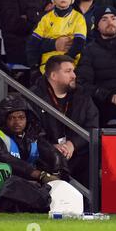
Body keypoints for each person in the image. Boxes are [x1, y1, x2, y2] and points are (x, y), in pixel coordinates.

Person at [31, 55, 99, 187]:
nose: (74, 75)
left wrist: (73, 144)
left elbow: (92, 125)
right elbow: (31, 130)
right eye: (68, 71)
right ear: (54, 75)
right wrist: (50, 147)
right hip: (46, 160)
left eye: (73, 70)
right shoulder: (33, 97)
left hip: (79, 159)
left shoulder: (83, 95)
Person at [0, 93, 69, 184]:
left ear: (27, 119)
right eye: (12, 118)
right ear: (4, 119)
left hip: (20, 186)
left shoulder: (31, 136)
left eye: (21, 117)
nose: (17, 122)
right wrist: (40, 175)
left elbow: (53, 154)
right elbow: (7, 160)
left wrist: (58, 176)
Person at [26, 0, 87, 77]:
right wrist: (34, 65)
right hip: (47, 65)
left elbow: (79, 43)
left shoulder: (78, 18)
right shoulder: (45, 18)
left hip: (71, 64)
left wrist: (66, 59)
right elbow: (33, 43)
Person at [75, 6, 116, 127]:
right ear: (97, 25)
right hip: (103, 109)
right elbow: (82, 83)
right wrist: (109, 97)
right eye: (104, 19)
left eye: (113, 18)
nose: (110, 22)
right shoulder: (89, 51)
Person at [0, 0, 51, 66]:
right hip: (19, 45)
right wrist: (42, 14)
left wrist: (29, 16)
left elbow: (54, 19)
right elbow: (14, 24)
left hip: (45, 41)